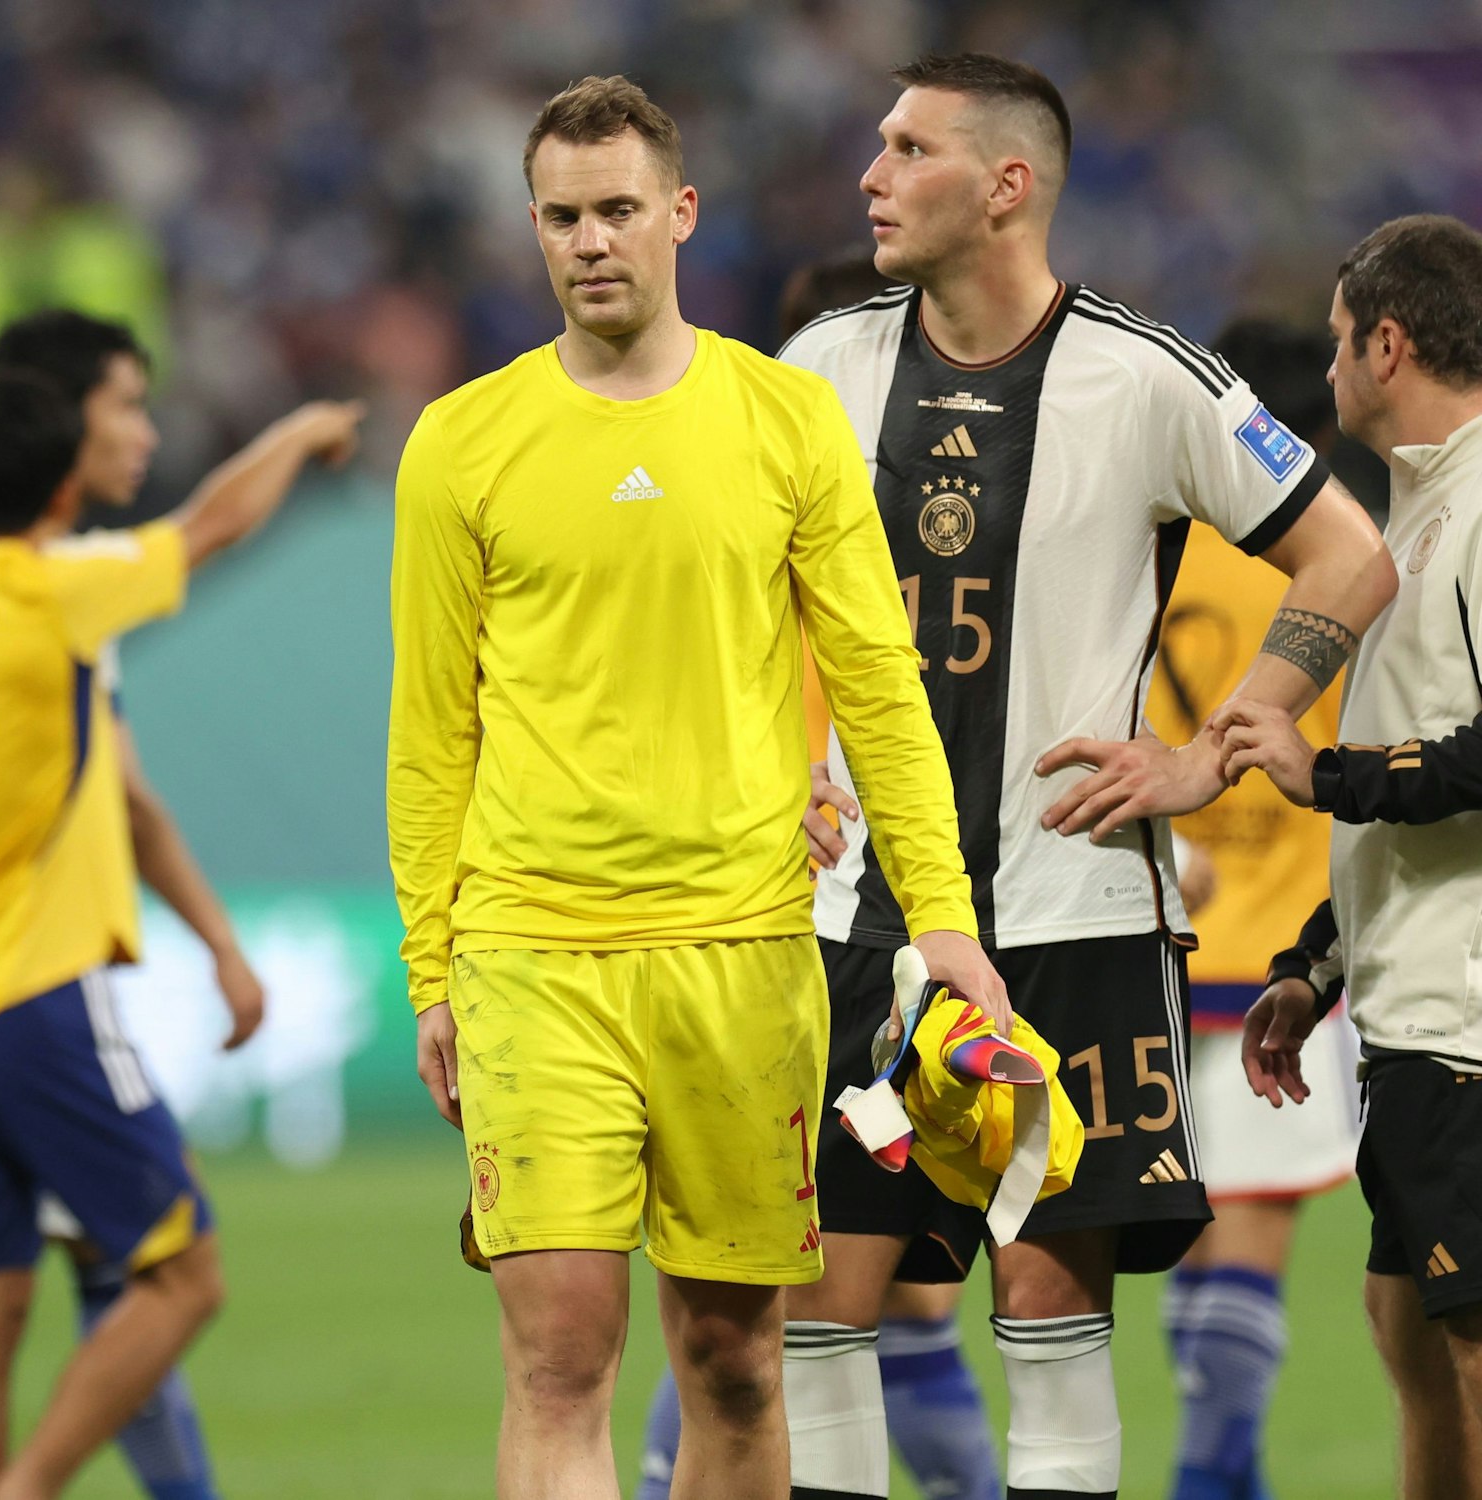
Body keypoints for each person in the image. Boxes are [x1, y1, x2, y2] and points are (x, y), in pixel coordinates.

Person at [775, 54, 1395, 1500]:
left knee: (1050, 1320)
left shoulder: (1147, 375)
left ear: (1008, 185)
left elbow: (1350, 554)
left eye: (908, 147)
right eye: (875, 143)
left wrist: (1207, 753)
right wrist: (771, 765)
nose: (869, 173)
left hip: (1072, 919)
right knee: (812, 1323)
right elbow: (744, 600)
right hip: (852, 925)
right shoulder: (818, 368)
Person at [389, 75, 1002, 1500]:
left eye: (616, 210)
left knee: (732, 1360)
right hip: (534, 953)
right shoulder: (458, 444)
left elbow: (879, 688)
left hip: (744, 956)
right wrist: (435, 970)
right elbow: (431, 736)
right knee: (558, 1355)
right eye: (560, 216)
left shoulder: (785, 423)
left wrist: (944, 914)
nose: (589, 241)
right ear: (531, 228)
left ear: (679, 215)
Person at [0, 310, 357, 1500]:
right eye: (127, 408)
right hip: (45, 992)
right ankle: (23, 1488)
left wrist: (219, 945)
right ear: (55, 460)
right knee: (182, 1279)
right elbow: (210, 529)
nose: (141, 432)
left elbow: (129, 803)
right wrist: (297, 432)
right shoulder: (52, 590)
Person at [636, 249, 1000, 1500]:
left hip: (882, 922)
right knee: (770, 1295)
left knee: (805, 1298)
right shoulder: (737, 502)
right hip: (761, 931)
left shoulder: (847, 525)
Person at [1221, 214, 1482, 1500]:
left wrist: (1317, 773)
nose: (1323, 371)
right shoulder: (1417, 519)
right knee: (1406, 1331)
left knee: (1466, 1354)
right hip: (1408, 1012)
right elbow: (1414, 754)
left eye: (1335, 344)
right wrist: (1314, 971)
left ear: (1388, 344)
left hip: (1471, 1023)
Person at [1147, 319, 1367, 1500]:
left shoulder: (1152, 550)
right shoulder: (1340, 569)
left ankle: (1217, 1477)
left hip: (1152, 954)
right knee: (1247, 1256)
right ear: (1312, 439)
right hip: (1284, 964)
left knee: (1174, 1258)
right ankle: (1209, 1480)